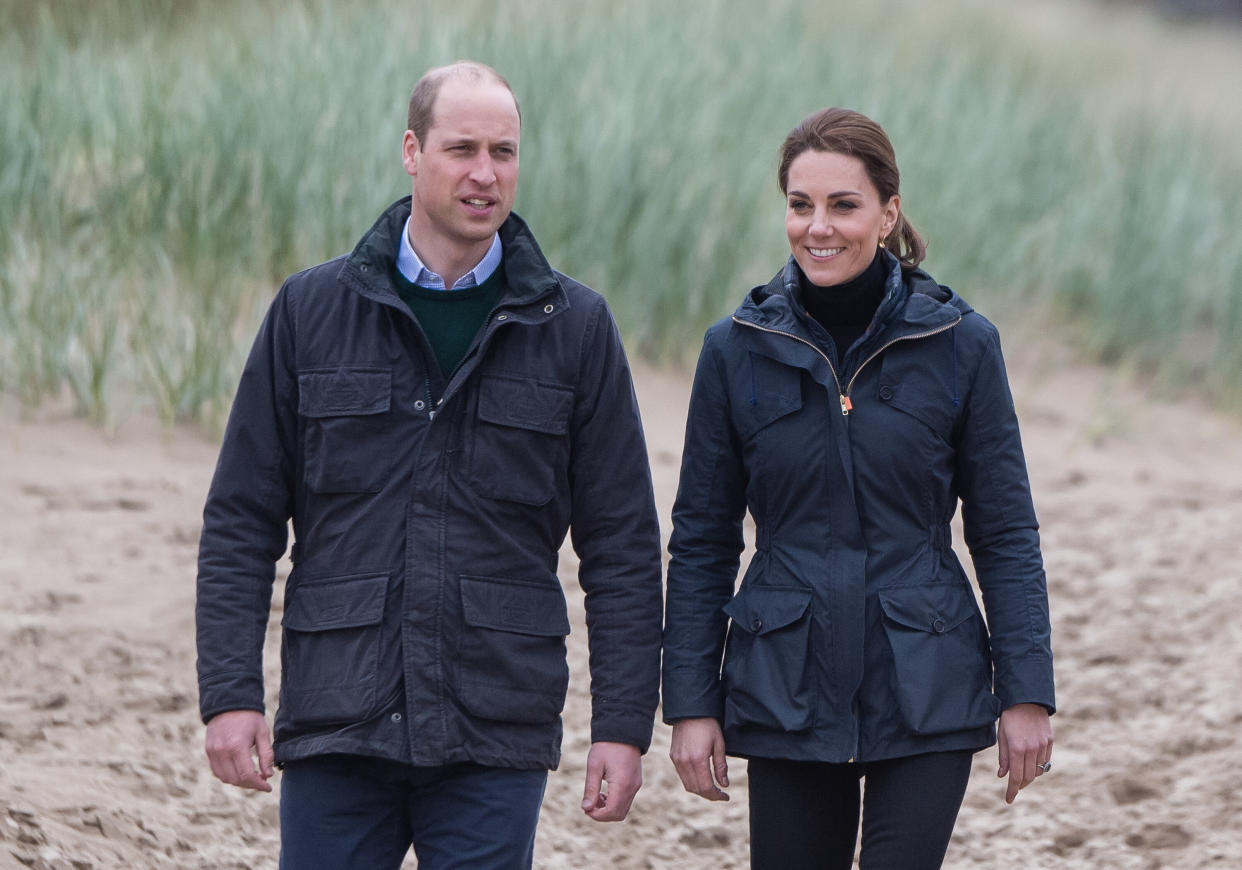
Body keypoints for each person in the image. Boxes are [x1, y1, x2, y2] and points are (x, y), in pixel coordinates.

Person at [195, 60, 663, 870]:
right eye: (462, 149)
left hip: (495, 725)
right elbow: (241, 520)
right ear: (412, 151)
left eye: (505, 152)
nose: (486, 173)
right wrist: (231, 695)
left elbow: (622, 545)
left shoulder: (576, 328)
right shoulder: (311, 311)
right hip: (338, 713)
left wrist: (622, 725)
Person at [661, 107, 1055, 869]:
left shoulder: (962, 345)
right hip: (783, 682)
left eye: (843, 205)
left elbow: (1005, 532)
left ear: (888, 212)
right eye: (800, 204)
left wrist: (1027, 690)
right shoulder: (734, 352)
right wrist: (690, 703)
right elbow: (703, 540)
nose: (819, 227)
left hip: (927, 676)